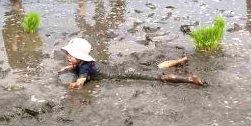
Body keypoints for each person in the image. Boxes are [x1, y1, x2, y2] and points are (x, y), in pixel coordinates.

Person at [58, 38, 205, 89]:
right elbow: (76, 66)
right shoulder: (85, 62)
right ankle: (181, 60)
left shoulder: (84, 67)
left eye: (70, 55)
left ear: (79, 56)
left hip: (126, 72)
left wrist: (72, 85)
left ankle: (190, 79)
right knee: (156, 67)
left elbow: (80, 82)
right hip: (125, 65)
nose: (68, 57)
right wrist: (68, 67)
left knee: (160, 77)